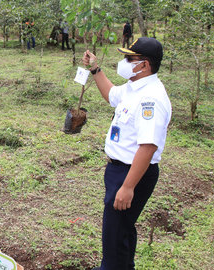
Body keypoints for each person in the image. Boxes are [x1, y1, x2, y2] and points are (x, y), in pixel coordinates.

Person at [83, 37, 171, 270]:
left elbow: (148, 146)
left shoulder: (150, 98)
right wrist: (95, 68)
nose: (124, 62)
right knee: (121, 229)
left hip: (131, 173)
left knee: (114, 234)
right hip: (118, 170)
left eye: (129, 58)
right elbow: (111, 94)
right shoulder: (134, 86)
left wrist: (128, 186)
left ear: (144, 64)